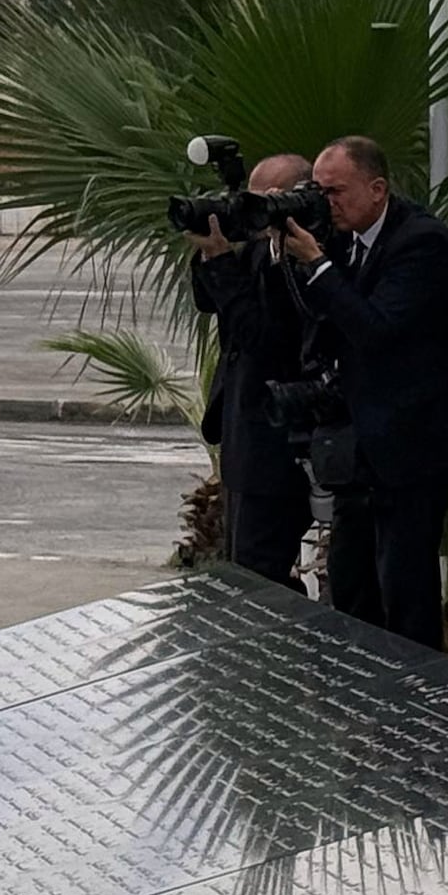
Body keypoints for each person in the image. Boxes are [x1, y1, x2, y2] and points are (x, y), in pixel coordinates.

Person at [276, 135, 448, 651]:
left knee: (404, 582)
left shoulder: (421, 242)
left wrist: (319, 265)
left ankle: (416, 686)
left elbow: (376, 329)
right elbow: (321, 320)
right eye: (319, 191)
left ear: (377, 189)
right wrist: (297, 255)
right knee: (351, 578)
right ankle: (362, 680)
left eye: (336, 192)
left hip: (416, 441)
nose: (327, 203)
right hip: (362, 442)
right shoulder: (344, 239)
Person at [188, 152, 316, 588]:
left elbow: (263, 339)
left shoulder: (302, 258)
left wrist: (223, 261)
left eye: (263, 200)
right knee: (245, 564)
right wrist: (211, 251)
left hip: (277, 438)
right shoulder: (260, 248)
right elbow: (210, 300)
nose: (252, 211)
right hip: (245, 435)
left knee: (258, 573)